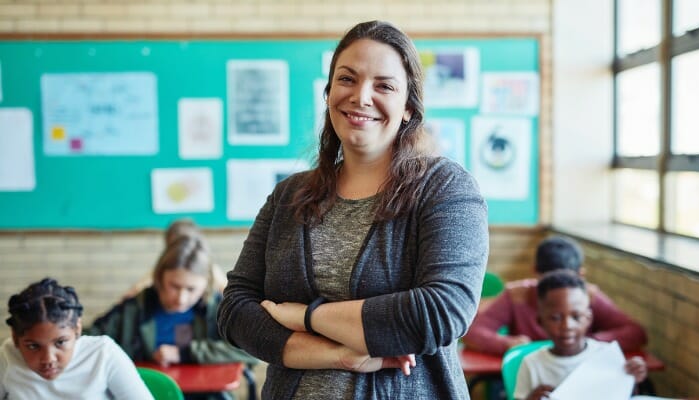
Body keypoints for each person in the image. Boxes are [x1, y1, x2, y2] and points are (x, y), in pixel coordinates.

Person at [217, 20, 489, 400]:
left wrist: (305, 316)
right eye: (347, 79)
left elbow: (440, 313)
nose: (361, 97)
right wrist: (339, 355)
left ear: (409, 106)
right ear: (329, 92)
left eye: (384, 85)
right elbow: (235, 311)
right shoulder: (288, 196)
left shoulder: (444, 187)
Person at [86, 236, 257, 399]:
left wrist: (187, 354)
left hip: (205, 395)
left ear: (206, 284)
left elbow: (253, 348)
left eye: (191, 289)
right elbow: (90, 339)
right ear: (159, 278)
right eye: (174, 286)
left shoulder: (217, 310)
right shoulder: (134, 308)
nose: (181, 298)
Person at [463, 235, 647, 355]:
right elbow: (473, 332)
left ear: (580, 277)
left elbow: (635, 332)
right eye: (548, 284)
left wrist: (590, 343)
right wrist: (507, 344)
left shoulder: (589, 296)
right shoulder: (516, 295)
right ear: (535, 273)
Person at [0, 278, 153, 399]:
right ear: (15, 338)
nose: (48, 359)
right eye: (33, 346)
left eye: (60, 342)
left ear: (77, 329)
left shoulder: (103, 354)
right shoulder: (7, 356)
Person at [513, 270, 647, 400]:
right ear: (540, 322)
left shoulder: (606, 356)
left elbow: (623, 395)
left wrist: (632, 378)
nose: (567, 326)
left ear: (588, 318)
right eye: (555, 318)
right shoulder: (531, 364)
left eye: (576, 317)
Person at [122, 218, 227, 299]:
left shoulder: (210, 270)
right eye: (175, 249)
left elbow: (229, 296)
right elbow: (130, 295)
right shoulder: (162, 271)